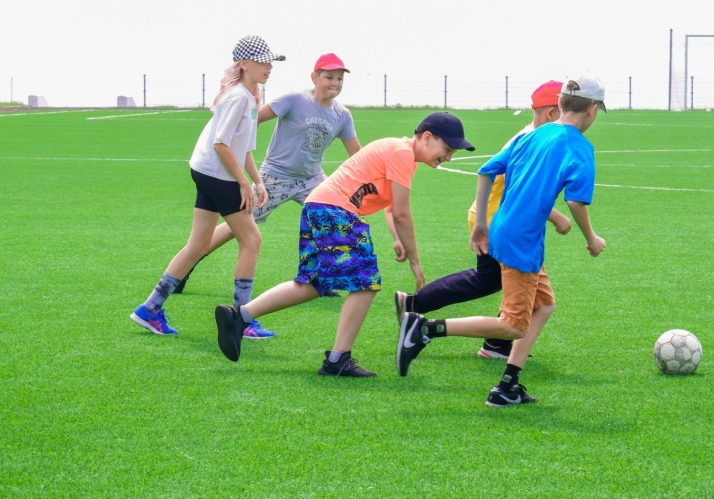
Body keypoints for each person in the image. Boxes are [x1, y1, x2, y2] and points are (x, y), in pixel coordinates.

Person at [396, 73, 608, 407]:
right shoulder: (580, 149)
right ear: (593, 109)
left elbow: (486, 171)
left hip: (502, 229)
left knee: (544, 305)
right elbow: (576, 202)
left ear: (560, 102)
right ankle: (425, 329)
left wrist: (481, 223)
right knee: (513, 326)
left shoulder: (531, 135)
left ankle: (507, 385)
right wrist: (592, 239)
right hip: (522, 241)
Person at [214, 112, 476, 377]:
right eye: (447, 149)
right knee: (365, 283)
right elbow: (401, 214)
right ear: (427, 137)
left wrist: (398, 239)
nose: (448, 157)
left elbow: (391, 209)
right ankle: (338, 359)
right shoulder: (402, 153)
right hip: (336, 211)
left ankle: (239, 316)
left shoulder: (399, 152)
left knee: (313, 283)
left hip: (319, 206)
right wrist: (415, 262)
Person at [172, 53, 362, 336]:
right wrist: (240, 159)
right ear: (314, 77)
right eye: (328, 77)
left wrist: (368, 176)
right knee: (238, 227)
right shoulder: (293, 100)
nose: (334, 83)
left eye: (339, 79)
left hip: (311, 179)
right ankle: (189, 263)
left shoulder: (342, 115)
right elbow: (249, 122)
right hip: (275, 177)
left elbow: (356, 154)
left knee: (332, 217)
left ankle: (321, 276)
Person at [393, 81, 572, 359]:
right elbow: (522, 191)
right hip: (497, 221)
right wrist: (556, 216)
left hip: (498, 219)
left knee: (504, 283)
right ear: (551, 113)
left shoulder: (533, 137)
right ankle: (420, 310)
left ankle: (495, 343)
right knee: (492, 281)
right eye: (568, 112)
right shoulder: (532, 142)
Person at [130, 35, 285, 337]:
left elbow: (243, 147)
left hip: (208, 171)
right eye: (263, 61)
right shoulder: (238, 97)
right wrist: (243, 183)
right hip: (217, 174)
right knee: (252, 240)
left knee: (199, 245)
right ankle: (241, 319)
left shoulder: (251, 96)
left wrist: (257, 180)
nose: (269, 67)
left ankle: (150, 309)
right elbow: (221, 144)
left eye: (271, 62)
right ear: (243, 64)